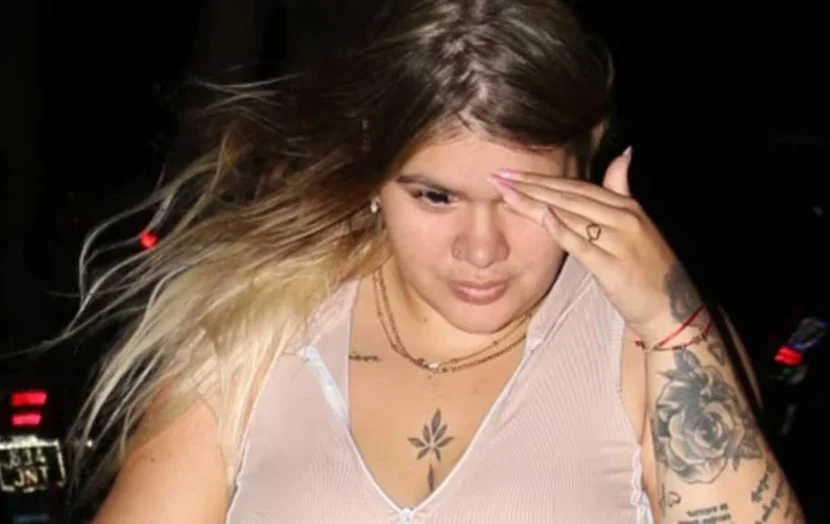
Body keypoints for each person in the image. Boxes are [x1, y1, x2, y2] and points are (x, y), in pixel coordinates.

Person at [68, 0, 804, 522]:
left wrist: (671, 322)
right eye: (435, 196)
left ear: (587, 158)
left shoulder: (647, 343)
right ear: (373, 169)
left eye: (524, 197)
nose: (481, 250)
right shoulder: (255, 328)